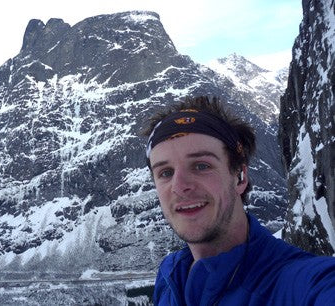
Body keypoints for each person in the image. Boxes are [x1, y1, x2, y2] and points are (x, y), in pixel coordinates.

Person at [143, 96, 335, 305]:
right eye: (165, 172)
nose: (179, 186)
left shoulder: (304, 284)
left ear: (240, 176)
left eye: (201, 166)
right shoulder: (170, 275)